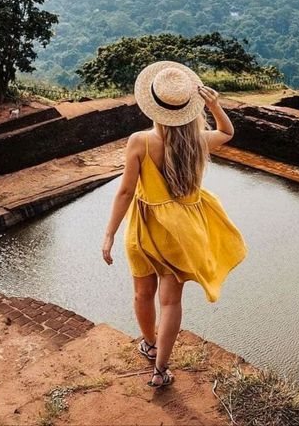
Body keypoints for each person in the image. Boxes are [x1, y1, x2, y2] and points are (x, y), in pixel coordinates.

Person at [101, 60, 248, 388]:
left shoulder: (140, 141)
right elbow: (227, 132)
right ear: (189, 107)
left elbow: (125, 191)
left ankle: (149, 345)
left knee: (142, 292)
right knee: (170, 301)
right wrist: (215, 105)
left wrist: (109, 233)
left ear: (153, 105)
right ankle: (160, 371)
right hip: (180, 234)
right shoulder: (197, 141)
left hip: (142, 229)